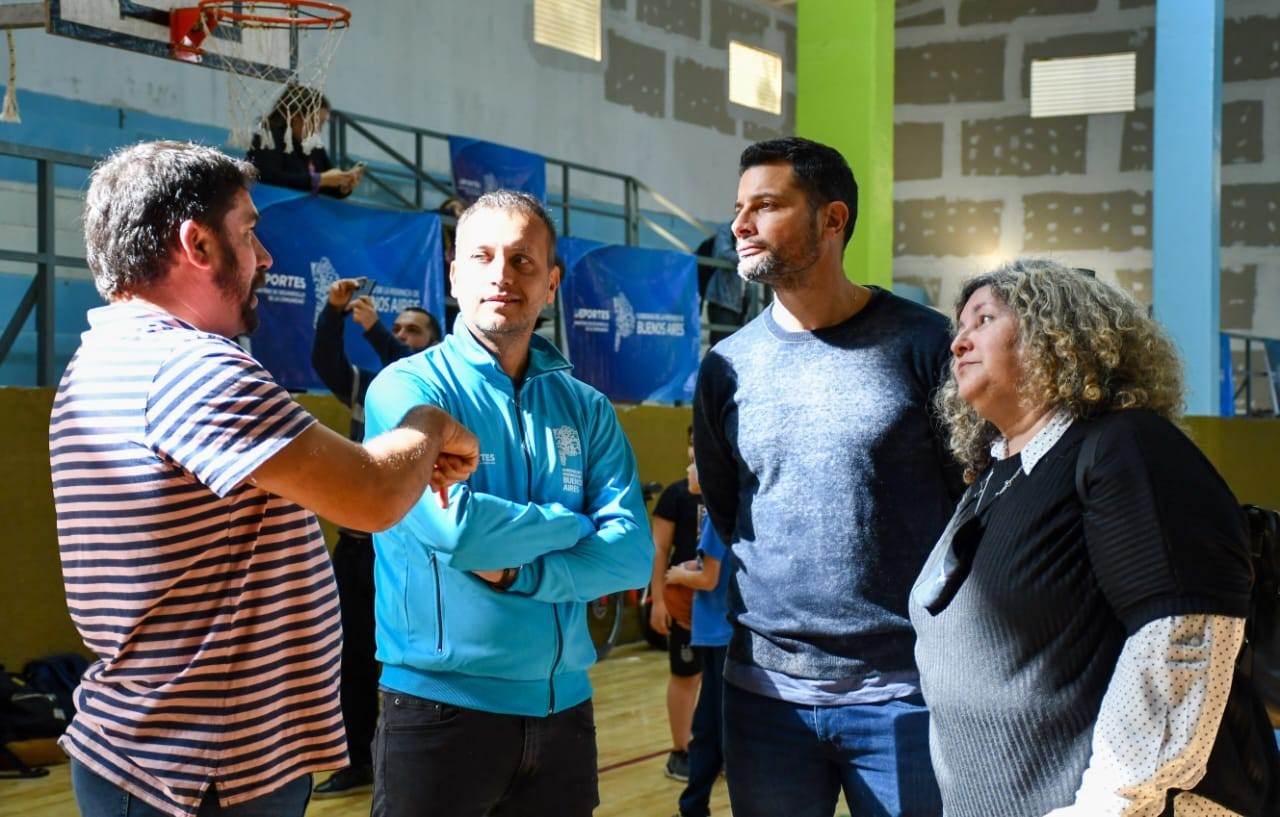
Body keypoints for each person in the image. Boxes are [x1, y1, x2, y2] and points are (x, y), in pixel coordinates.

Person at [48, 140, 479, 817]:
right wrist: (430, 426)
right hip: (199, 771)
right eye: (249, 232)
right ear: (197, 244)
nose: (266, 257)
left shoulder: (105, 354)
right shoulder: (192, 368)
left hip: (165, 757)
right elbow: (371, 494)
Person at [909, 258, 1280, 817]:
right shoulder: (994, 477)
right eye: (959, 328)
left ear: (1058, 335)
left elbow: (1180, 639)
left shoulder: (1126, 448)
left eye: (984, 320)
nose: (959, 342)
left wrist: (1106, 807)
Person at [692, 136, 961, 817]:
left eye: (766, 206)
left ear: (832, 218)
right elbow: (728, 507)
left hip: (906, 692)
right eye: (738, 208)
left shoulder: (927, 344)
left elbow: (972, 503)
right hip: (764, 696)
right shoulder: (726, 365)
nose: (740, 225)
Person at [363, 189, 653, 817]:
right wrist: (576, 523)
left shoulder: (586, 408)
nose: (502, 274)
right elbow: (459, 532)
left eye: (523, 260)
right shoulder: (408, 390)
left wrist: (523, 572)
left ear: (551, 283)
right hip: (439, 711)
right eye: (483, 257)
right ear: (454, 276)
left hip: (564, 712)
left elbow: (632, 555)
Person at [307, 280, 443, 797]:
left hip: (413, 551)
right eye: (398, 329)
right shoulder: (372, 389)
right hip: (358, 546)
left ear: (433, 343)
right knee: (352, 655)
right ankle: (356, 759)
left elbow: (411, 367)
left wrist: (377, 331)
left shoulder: (435, 391)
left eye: (413, 331)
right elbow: (325, 361)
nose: (402, 336)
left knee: (416, 656)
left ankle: (425, 758)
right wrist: (334, 312)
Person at [647, 428, 705, 782]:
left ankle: (715, 746)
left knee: (722, 680)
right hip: (685, 606)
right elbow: (658, 549)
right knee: (686, 675)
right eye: (692, 444)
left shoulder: (731, 493)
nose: (695, 451)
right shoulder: (676, 495)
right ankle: (680, 750)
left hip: (720, 606)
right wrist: (658, 599)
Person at [666, 514, 732, 817]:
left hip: (721, 637)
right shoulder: (733, 512)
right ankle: (692, 806)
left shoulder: (715, 518)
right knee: (708, 728)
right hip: (721, 636)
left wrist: (679, 575)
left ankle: (693, 806)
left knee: (718, 731)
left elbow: (708, 579)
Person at [245, 83, 364, 197]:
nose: (318, 130)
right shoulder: (269, 136)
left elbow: (326, 183)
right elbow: (269, 177)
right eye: (315, 122)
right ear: (295, 116)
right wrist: (318, 179)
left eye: (322, 124)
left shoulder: (314, 146)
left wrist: (343, 186)